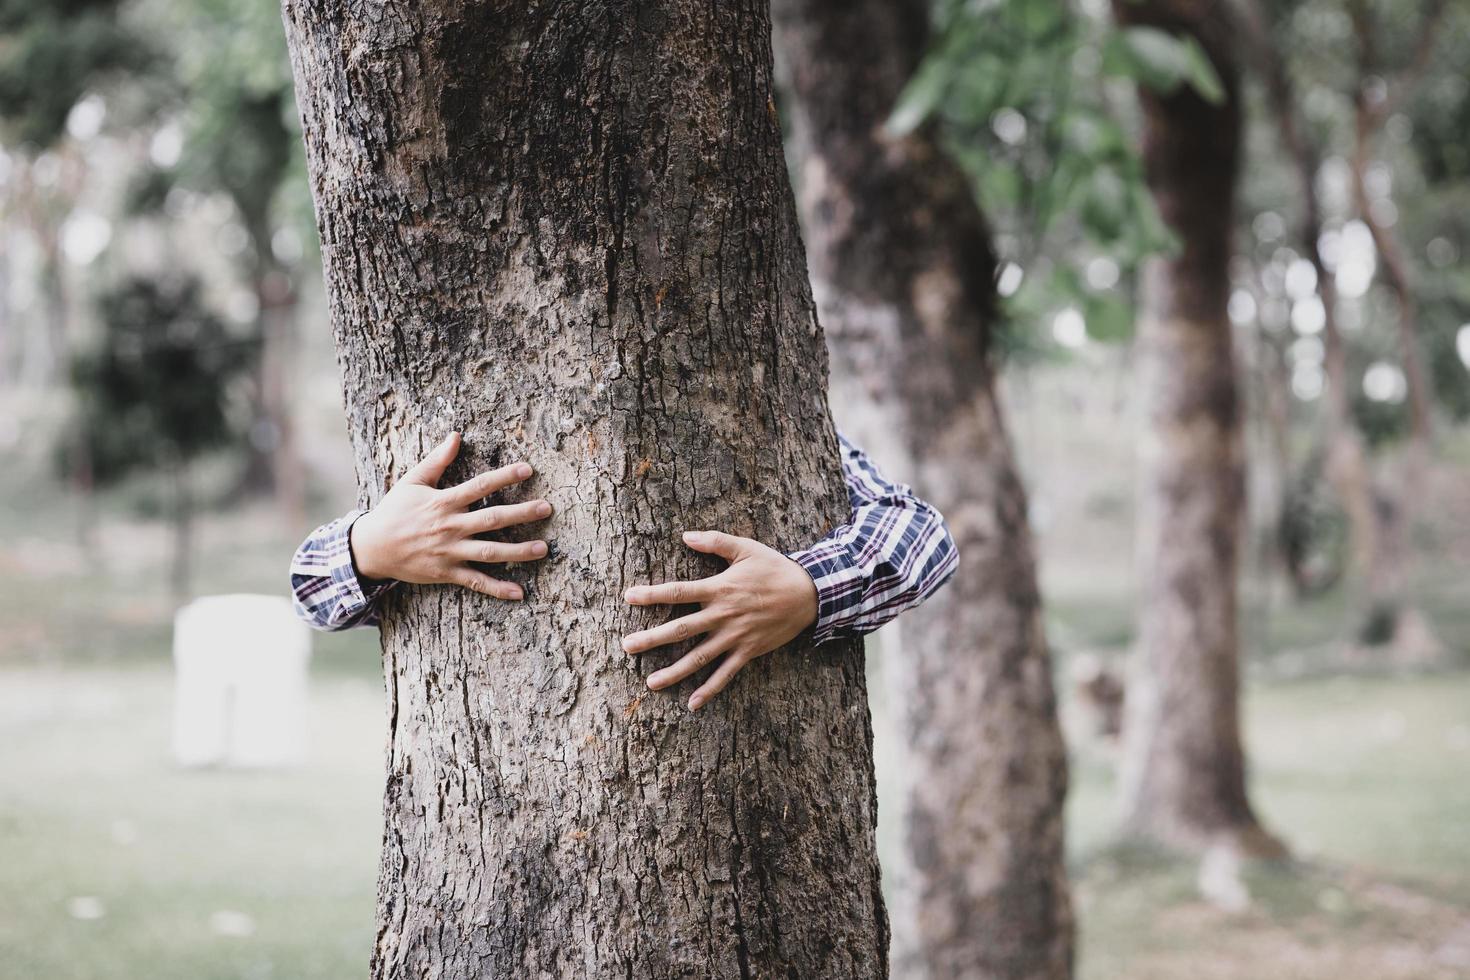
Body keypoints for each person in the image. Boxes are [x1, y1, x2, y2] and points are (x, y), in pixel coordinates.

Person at [290, 430, 956, 710]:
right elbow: (311, 585)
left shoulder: (782, 419)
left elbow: (925, 534)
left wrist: (811, 589)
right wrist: (369, 547)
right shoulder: (443, 452)